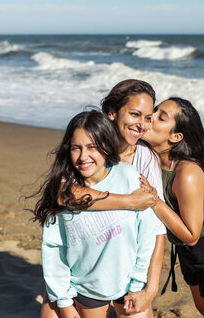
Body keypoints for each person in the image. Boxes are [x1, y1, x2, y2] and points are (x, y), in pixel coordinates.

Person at [41, 79, 167, 318]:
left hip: (125, 269)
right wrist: (130, 201)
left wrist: (148, 289)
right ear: (111, 114)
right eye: (135, 114)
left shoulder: (141, 163)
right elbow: (63, 195)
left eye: (148, 117)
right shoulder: (80, 151)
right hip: (84, 274)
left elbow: (154, 230)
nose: (141, 124)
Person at [141, 97, 204, 318]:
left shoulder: (186, 173)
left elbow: (191, 235)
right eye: (154, 111)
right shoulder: (149, 158)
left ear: (176, 136)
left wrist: (154, 200)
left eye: (161, 117)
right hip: (188, 252)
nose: (151, 117)